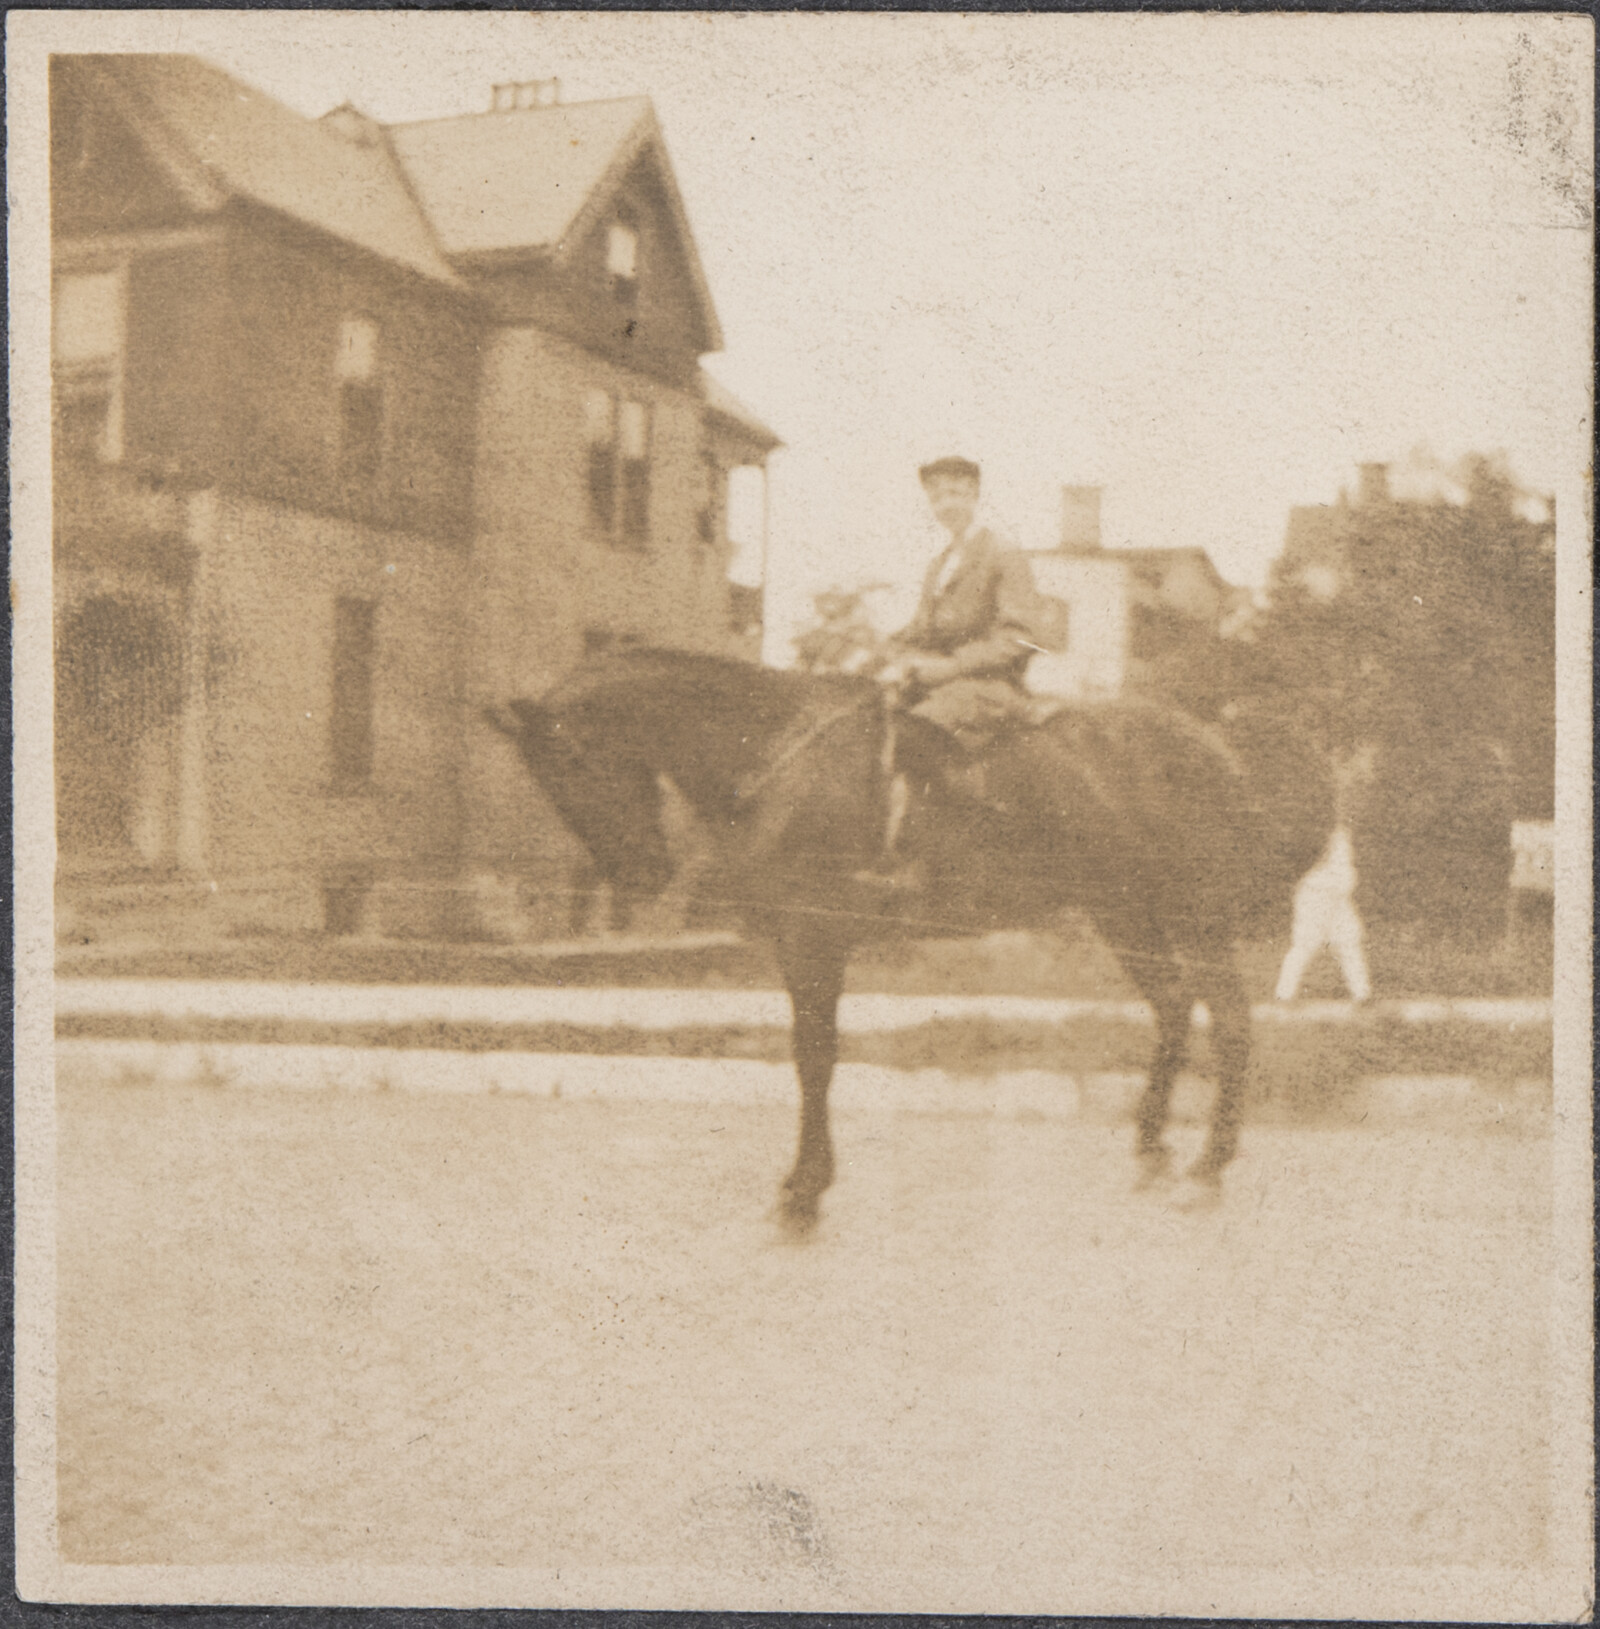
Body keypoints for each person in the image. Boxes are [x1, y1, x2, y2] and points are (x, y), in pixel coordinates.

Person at [857, 456, 1064, 889]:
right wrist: (874, 653)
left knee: (917, 732)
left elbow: (1019, 638)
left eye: (955, 493)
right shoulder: (941, 563)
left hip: (990, 687)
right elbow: (920, 632)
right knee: (865, 721)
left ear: (973, 496)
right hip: (944, 684)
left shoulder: (1003, 553)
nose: (945, 503)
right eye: (936, 496)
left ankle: (929, 858)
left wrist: (950, 666)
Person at [1274, 823, 1373, 1003]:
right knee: (1305, 945)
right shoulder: (1323, 833)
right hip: (1316, 892)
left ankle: (1362, 995)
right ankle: (1283, 994)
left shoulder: (1342, 835)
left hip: (1335, 895)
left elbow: (1345, 873)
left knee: (1349, 942)